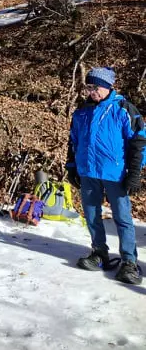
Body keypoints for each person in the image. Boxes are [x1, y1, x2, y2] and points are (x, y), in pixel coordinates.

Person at [67, 67, 146, 285]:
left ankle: (129, 262)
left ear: (108, 86)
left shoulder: (123, 109)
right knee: (92, 215)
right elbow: (72, 141)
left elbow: (139, 142)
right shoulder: (81, 112)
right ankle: (99, 252)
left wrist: (135, 174)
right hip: (88, 172)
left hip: (115, 174)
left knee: (122, 218)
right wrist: (72, 166)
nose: (91, 91)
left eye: (96, 87)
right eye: (89, 87)